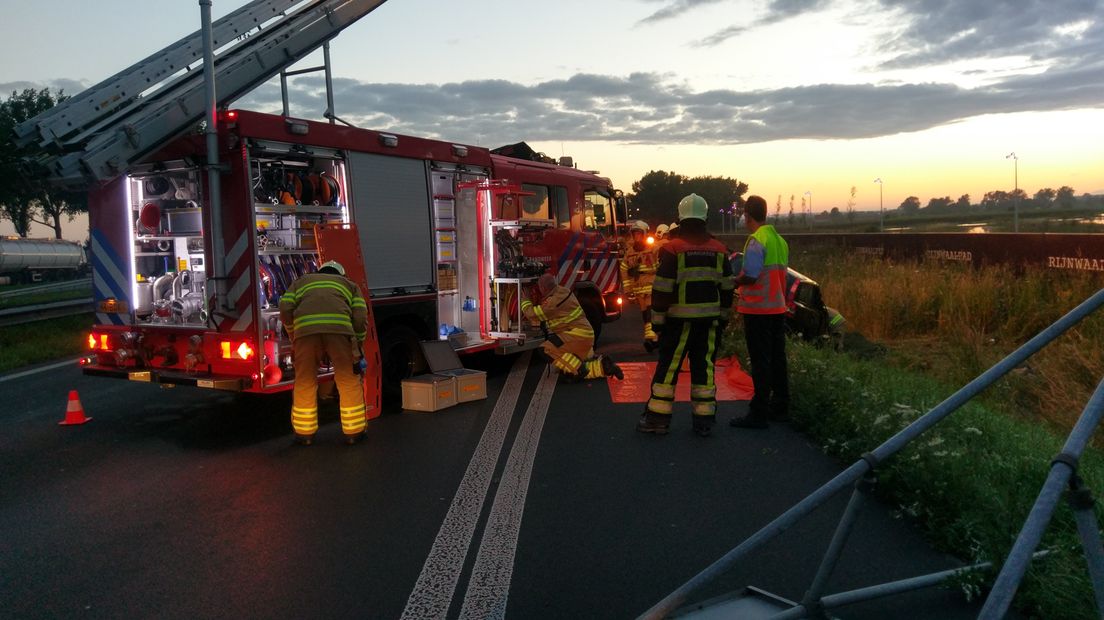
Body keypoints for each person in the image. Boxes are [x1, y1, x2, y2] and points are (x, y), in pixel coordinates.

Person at [637, 194, 734, 437]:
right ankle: (703, 422)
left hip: (677, 324)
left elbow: (661, 290)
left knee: (668, 370)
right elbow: (727, 289)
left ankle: (657, 421)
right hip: (709, 324)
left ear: (681, 219)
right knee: (704, 370)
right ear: (705, 217)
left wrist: (657, 324)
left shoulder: (672, 249)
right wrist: (722, 319)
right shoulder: (720, 250)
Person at [279, 260, 369, 445]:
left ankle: (304, 435)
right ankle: (354, 433)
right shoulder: (350, 285)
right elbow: (360, 318)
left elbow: (285, 307)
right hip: (340, 333)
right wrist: (357, 343)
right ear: (340, 274)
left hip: (306, 334)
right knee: (348, 380)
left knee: (305, 381)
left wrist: (294, 332)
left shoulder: (301, 282)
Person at [730, 195, 790, 429]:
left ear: (747, 215)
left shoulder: (756, 241)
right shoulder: (779, 241)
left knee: (760, 361)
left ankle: (758, 413)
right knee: (777, 359)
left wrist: (734, 281)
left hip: (758, 311)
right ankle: (781, 406)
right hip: (777, 307)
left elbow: (751, 276)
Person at [521, 273, 624, 382]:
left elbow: (533, 314)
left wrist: (525, 300)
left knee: (545, 349)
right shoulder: (563, 290)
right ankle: (604, 368)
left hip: (576, 336)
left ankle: (578, 369)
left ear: (543, 288)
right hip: (585, 335)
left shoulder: (553, 303)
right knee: (569, 366)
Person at [620, 220, 660, 351]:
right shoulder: (630, 252)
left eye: (639, 234)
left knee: (650, 311)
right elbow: (624, 268)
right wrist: (628, 289)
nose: (636, 237)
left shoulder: (653, 249)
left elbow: (660, 265)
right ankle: (653, 338)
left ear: (644, 234)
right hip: (638, 288)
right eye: (634, 234)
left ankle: (650, 337)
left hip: (651, 284)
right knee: (645, 313)